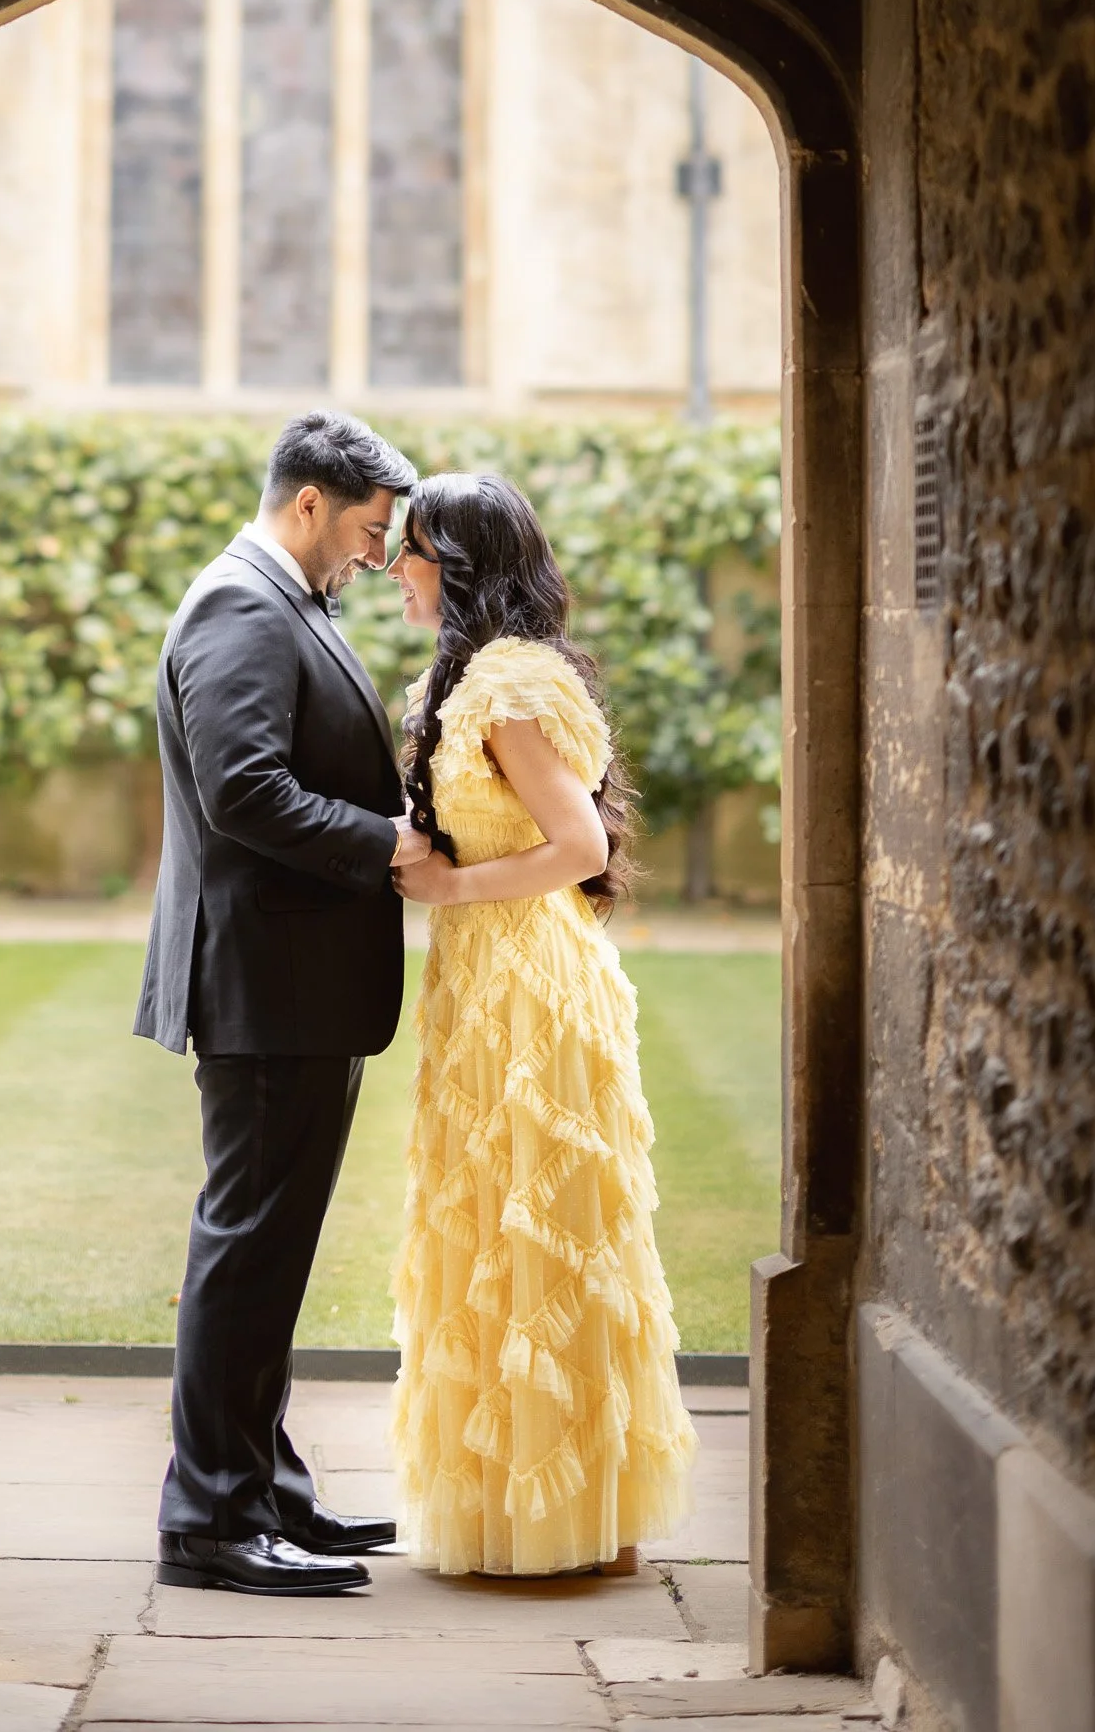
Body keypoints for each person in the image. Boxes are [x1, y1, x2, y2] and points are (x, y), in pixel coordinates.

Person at [386, 471, 698, 1576]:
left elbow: (580, 846)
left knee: (543, 1226)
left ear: (462, 566)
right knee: (483, 1227)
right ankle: (515, 1515)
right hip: (481, 979)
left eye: (415, 550)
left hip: (530, 982)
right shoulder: (469, 675)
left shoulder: (509, 686)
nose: (396, 567)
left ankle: (573, 1521)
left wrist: (449, 886)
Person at [137, 408, 424, 1598]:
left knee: (272, 1251)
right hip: (265, 981)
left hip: (300, 980)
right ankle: (210, 1518)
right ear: (310, 501)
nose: (375, 554)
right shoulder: (242, 604)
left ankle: (265, 1488)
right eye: (367, 529)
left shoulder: (286, 598)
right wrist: (389, 843)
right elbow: (244, 789)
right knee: (247, 1247)